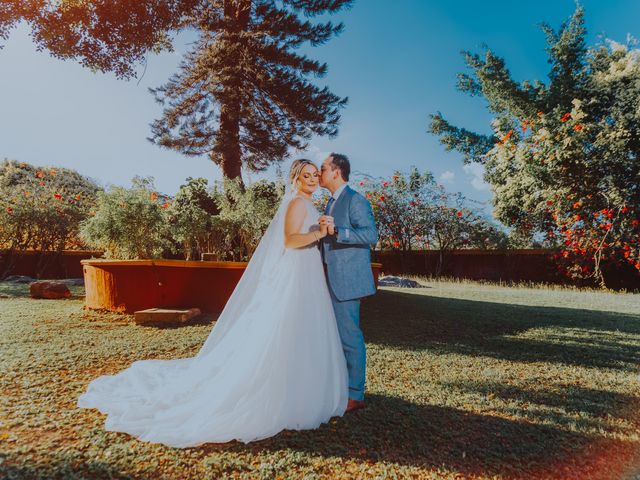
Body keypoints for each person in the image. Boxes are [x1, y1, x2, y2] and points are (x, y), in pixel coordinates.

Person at [77, 159, 349, 448]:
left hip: (306, 274)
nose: (310, 179)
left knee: (301, 328)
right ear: (294, 180)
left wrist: (322, 229)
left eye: (313, 175)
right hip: (296, 273)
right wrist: (320, 232)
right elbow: (290, 241)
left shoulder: (308, 205)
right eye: (304, 175)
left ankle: (300, 385)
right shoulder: (296, 204)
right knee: (285, 326)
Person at [318, 153, 378, 413]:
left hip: (346, 280)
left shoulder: (355, 200)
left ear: (336, 172)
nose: (319, 173)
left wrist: (338, 232)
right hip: (329, 278)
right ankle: (339, 385)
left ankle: (356, 394)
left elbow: (370, 235)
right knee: (334, 335)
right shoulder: (331, 202)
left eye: (322, 168)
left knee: (350, 336)